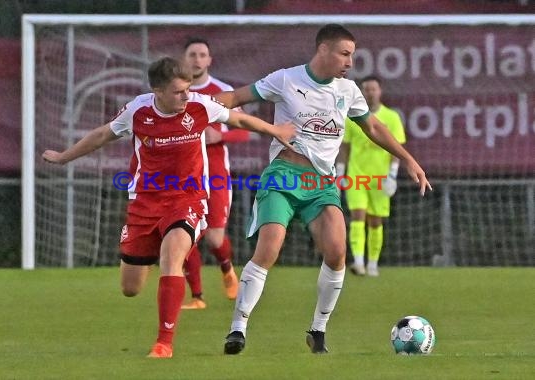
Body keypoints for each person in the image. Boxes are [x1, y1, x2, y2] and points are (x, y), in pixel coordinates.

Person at [42, 57, 295, 359]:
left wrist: (276, 130)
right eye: (178, 92)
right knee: (131, 288)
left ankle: (164, 343)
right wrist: (63, 157)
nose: (186, 96)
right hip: (145, 202)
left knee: (172, 257)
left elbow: (238, 120)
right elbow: (101, 135)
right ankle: (158, 264)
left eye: (187, 90)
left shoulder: (200, 106)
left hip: (187, 199)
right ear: (157, 91)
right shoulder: (139, 110)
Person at [216, 24, 432, 355]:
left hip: (322, 184)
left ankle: (318, 330)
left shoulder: (348, 90)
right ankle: (238, 329)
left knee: (336, 251)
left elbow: (373, 125)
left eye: (353, 56)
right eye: (345, 54)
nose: (349, 62)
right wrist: (203, 108)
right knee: (270, 248)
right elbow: (234, 98)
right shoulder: (286, 79)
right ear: (323, 50)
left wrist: (407, 159)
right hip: (284, 177)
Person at [181, 38, 250, 309]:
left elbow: (244, 130)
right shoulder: (177, 91)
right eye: (192, 54)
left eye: (202, 55)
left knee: (214, 238)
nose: (197, 59)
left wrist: (218, 134)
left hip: (216, 175)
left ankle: (227, 268)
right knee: (183, 235)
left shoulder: (222, 91)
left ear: (209, 60)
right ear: (184, 59)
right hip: (184, 176)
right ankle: (197, 297)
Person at [339, 75, 406, 277]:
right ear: (361, 92)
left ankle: (373, 264)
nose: (370, 92)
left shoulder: (391, 117)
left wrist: (392, 175)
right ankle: (358, 262)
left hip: (380, 178)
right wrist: (340, 172)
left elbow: (397, 149)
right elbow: (345, 146)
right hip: (357, 175)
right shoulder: (352, 117)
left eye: (373, 89)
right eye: (366, 89)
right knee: (357, 215)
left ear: (380, 91)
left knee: (375, 221)